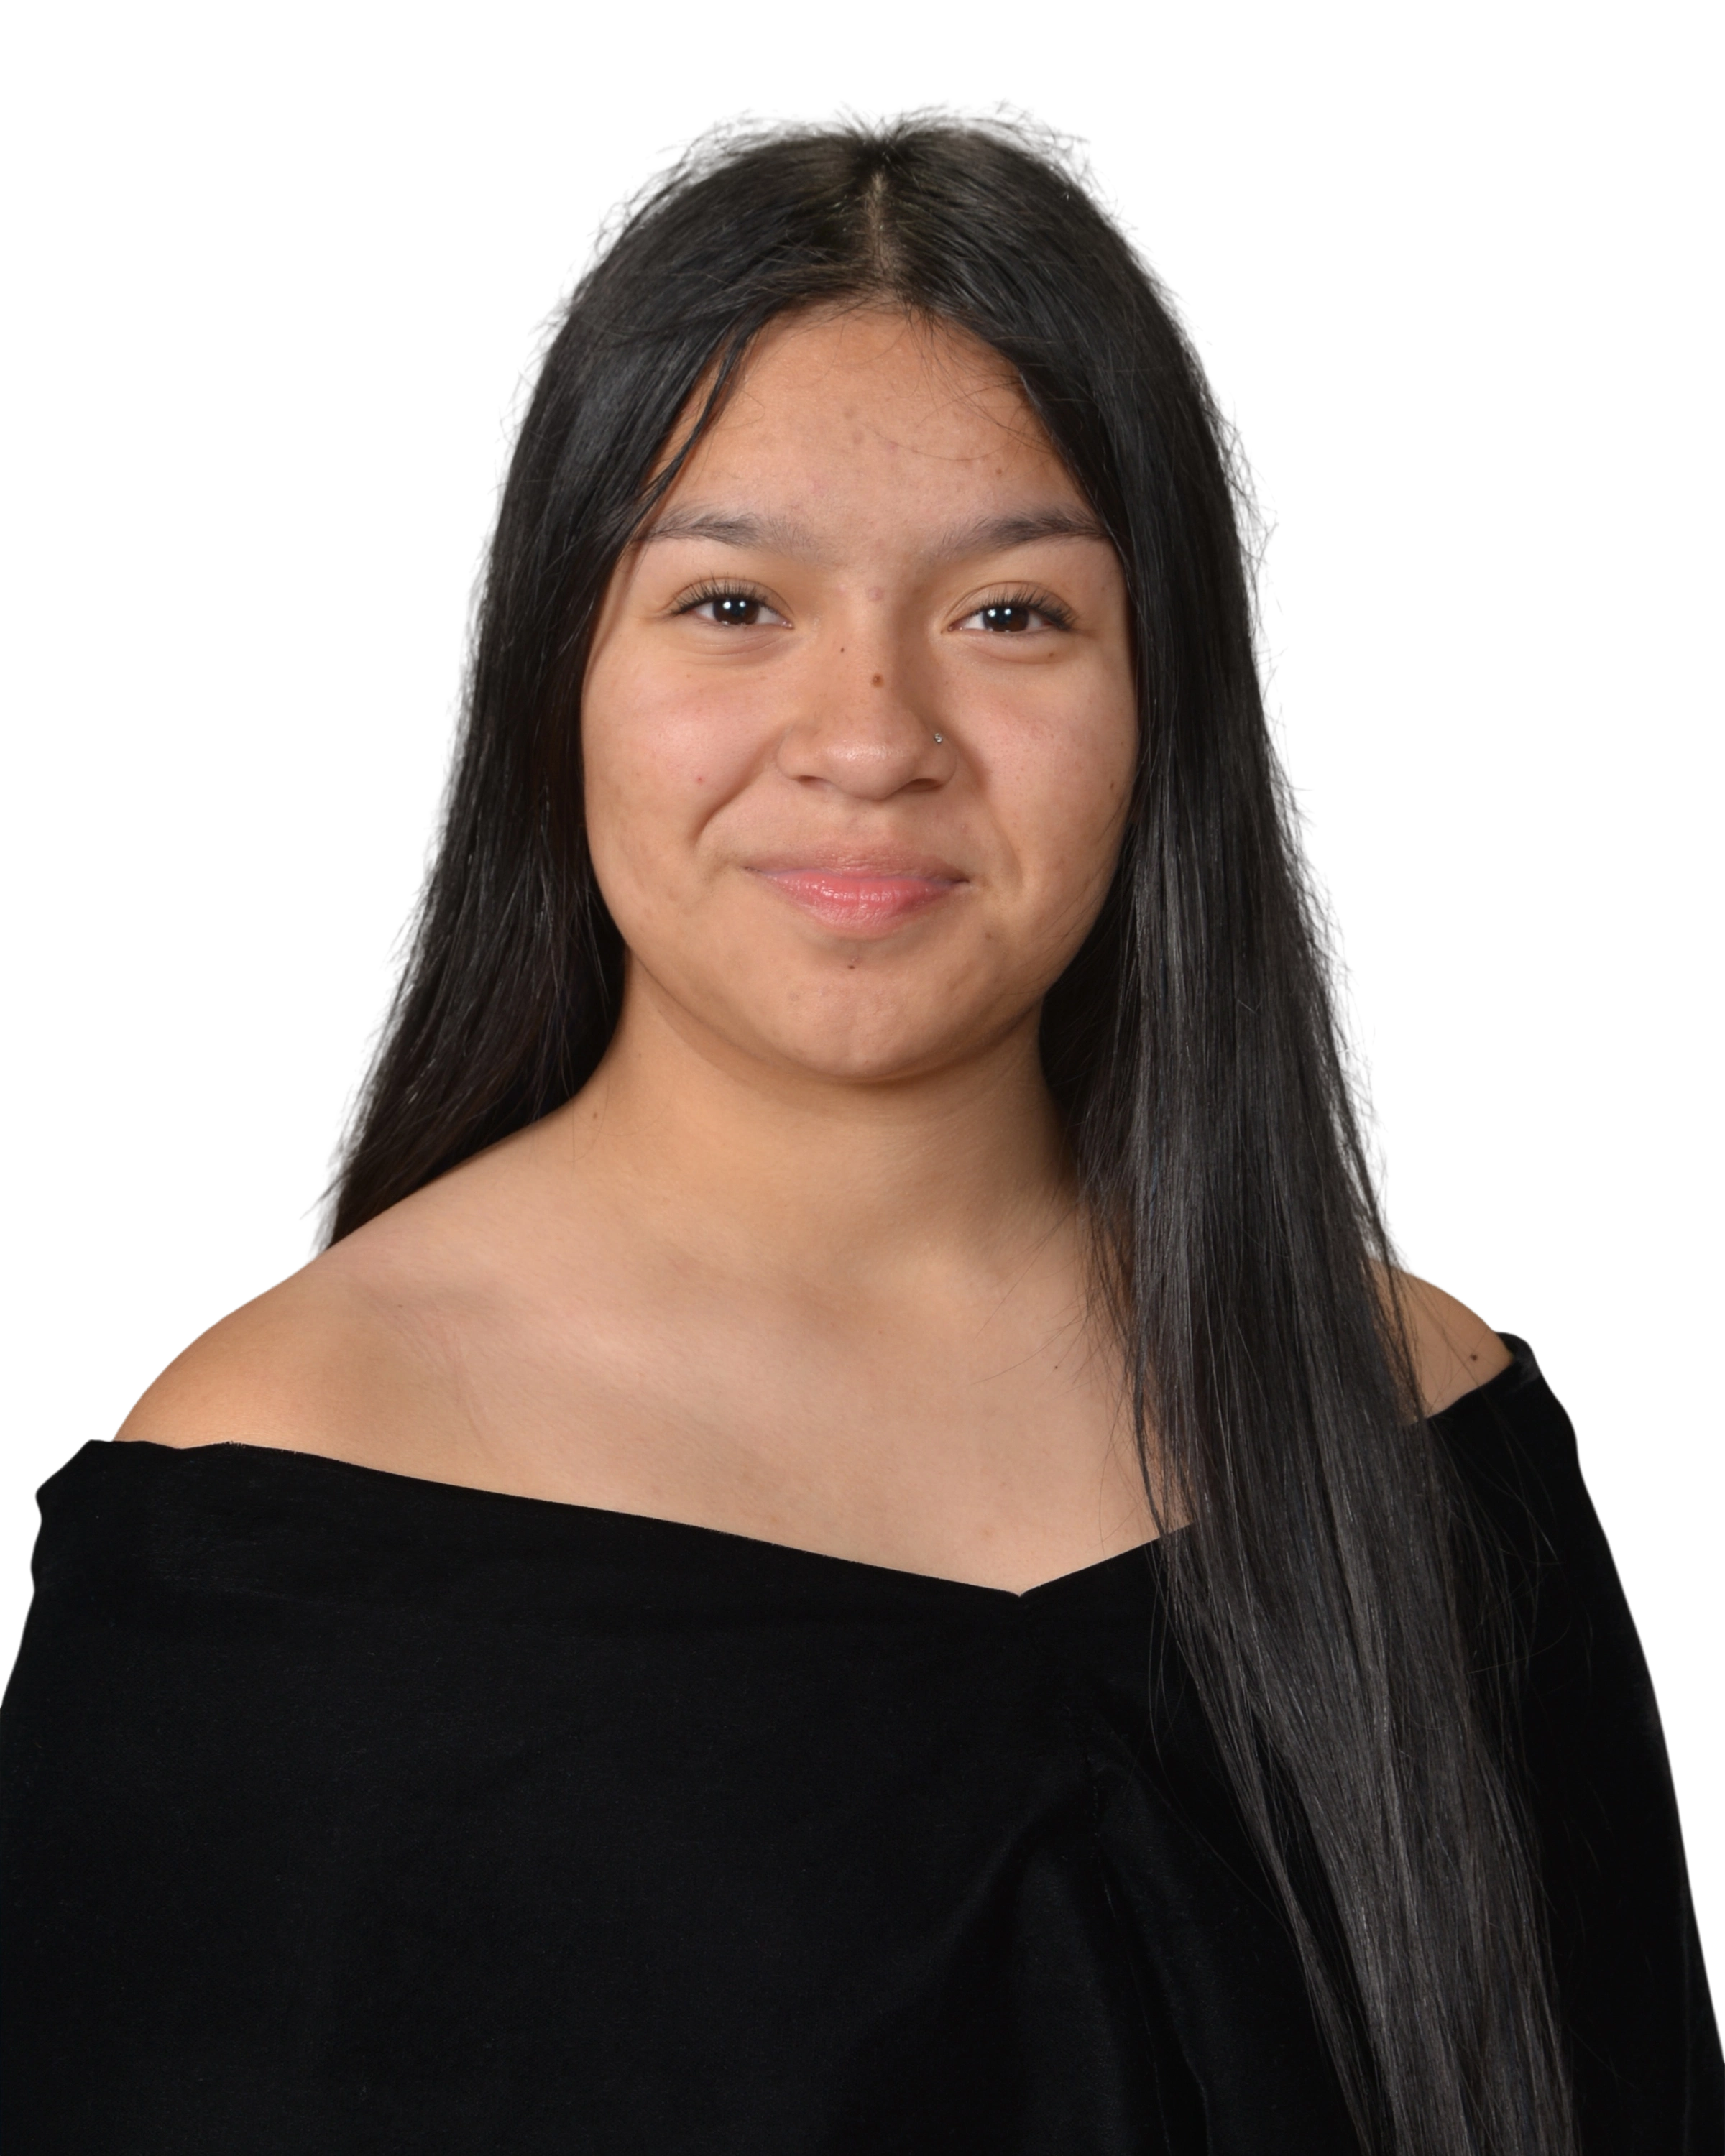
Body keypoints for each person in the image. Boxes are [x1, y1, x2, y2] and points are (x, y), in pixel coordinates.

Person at [2, 96, 1717, 2156]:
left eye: (1012, 614)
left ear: (1166, 701)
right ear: (555, 668)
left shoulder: (1414, 1428)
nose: (872, 739)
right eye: (734, 604)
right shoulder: (275, 1511)